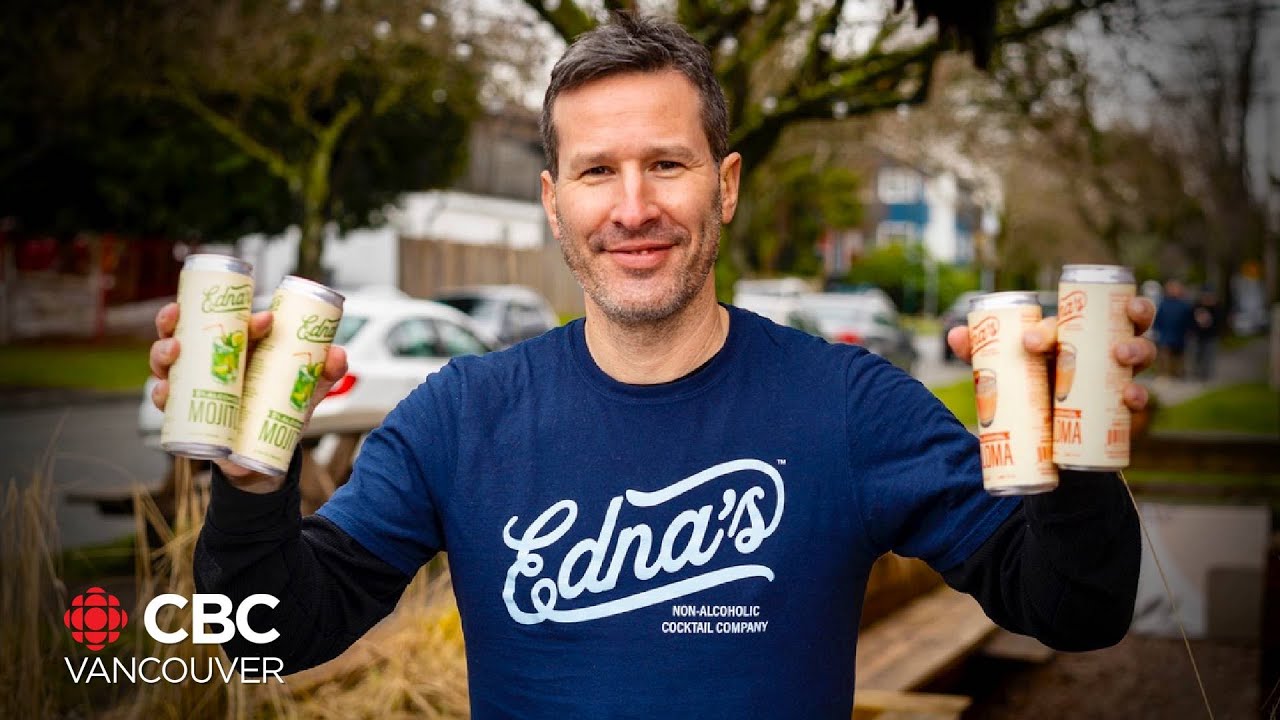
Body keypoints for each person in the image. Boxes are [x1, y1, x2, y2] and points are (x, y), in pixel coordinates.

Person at [149, 14, 1156, 718]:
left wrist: (1077, 466)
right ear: (553, 201)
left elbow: (1073, 609)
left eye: (664, 164)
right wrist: (248, 483)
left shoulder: (848, 408)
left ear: (722, 185)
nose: (631, 206)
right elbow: (265, 639)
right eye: (596, 171)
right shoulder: (461, 416)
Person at [1153, 279, 1194, 378]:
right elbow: (1158, 318)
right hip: (1165, 333)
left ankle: (1177, 373)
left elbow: (1189, 320)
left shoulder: (1185, 305)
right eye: (1171, 288)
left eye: (1175, 288)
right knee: (1164, 355)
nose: (1173, 290)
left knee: (1178, 356)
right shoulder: (1163, 304)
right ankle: (1163, 374)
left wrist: (1189, 330)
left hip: (1179, 334)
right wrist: (1156, 329)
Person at [1191, 286, 1222, 381]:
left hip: (1211, 336)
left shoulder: (1216, 307)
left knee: (1208, 355)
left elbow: (1220, 321)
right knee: (1197, 355)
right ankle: (1197, 373)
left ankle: (1206, 375)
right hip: (1198, 335)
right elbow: (1191, 320)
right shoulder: (1197, 306)